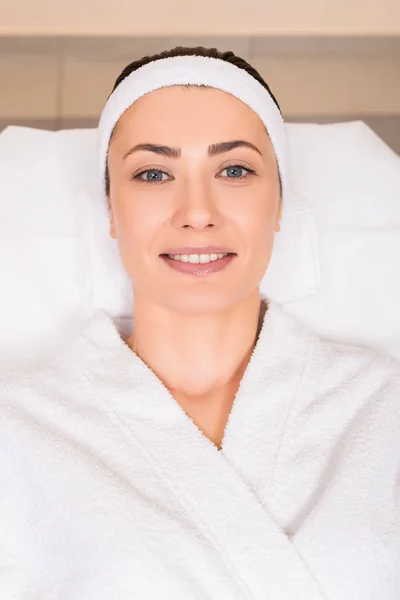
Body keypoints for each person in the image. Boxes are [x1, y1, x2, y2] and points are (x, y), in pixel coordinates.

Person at [0, 46, 399, 600]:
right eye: (154, 172)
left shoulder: (384, 408)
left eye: (234, 169)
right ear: (111, 211)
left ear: (279, 202)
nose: (196, 210)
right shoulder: (17, 431)